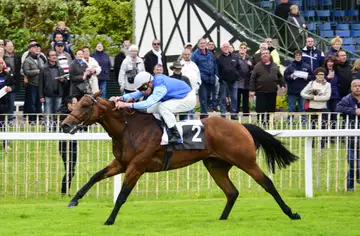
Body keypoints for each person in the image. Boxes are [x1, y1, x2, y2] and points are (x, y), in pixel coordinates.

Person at [111, 71, 196, 144]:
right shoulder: (151, 83)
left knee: (163, 107)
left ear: (150, 83)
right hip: (179, 97)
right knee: (148, 109)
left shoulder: (160, 87)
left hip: (188, 98)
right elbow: (136, 94)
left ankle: (176, 135)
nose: (142, 91)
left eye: (143, 88)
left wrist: (126, 105)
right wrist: (120, 98)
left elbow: (148, 103)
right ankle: (158, 131)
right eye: (140, 89)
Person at [335, 79, 360, 191]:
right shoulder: (347, 99)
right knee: (352, 161)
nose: (357, 88)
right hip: (351, 135)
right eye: (355, 86)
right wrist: (354, 111)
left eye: (359, 86)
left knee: (358, 162)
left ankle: (350, 186)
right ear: (351, 88)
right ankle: (353, 183)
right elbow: (338, 108)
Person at [300, 67, 331, 148]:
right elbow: (302, 93)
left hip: (322, 108)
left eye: (323, 74)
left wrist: (314, 98)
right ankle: (311, 144)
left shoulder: (328, 85)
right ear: (316, 75)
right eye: (319, 74)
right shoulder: (311, 83)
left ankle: (322, 144)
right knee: (311, 126)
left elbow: (327, 97)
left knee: (323, 126)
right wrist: (309, 96)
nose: (321, 76)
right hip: (311, 107)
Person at [58, 96, 78, 195]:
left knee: (72, 170)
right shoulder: (62, 114)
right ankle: (64, 191)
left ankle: (66, 190)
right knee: (69, 169)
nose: (77, 106)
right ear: (69, 105)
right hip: (65, 145)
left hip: (73, 144)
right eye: (75, 104)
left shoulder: (77, 114)